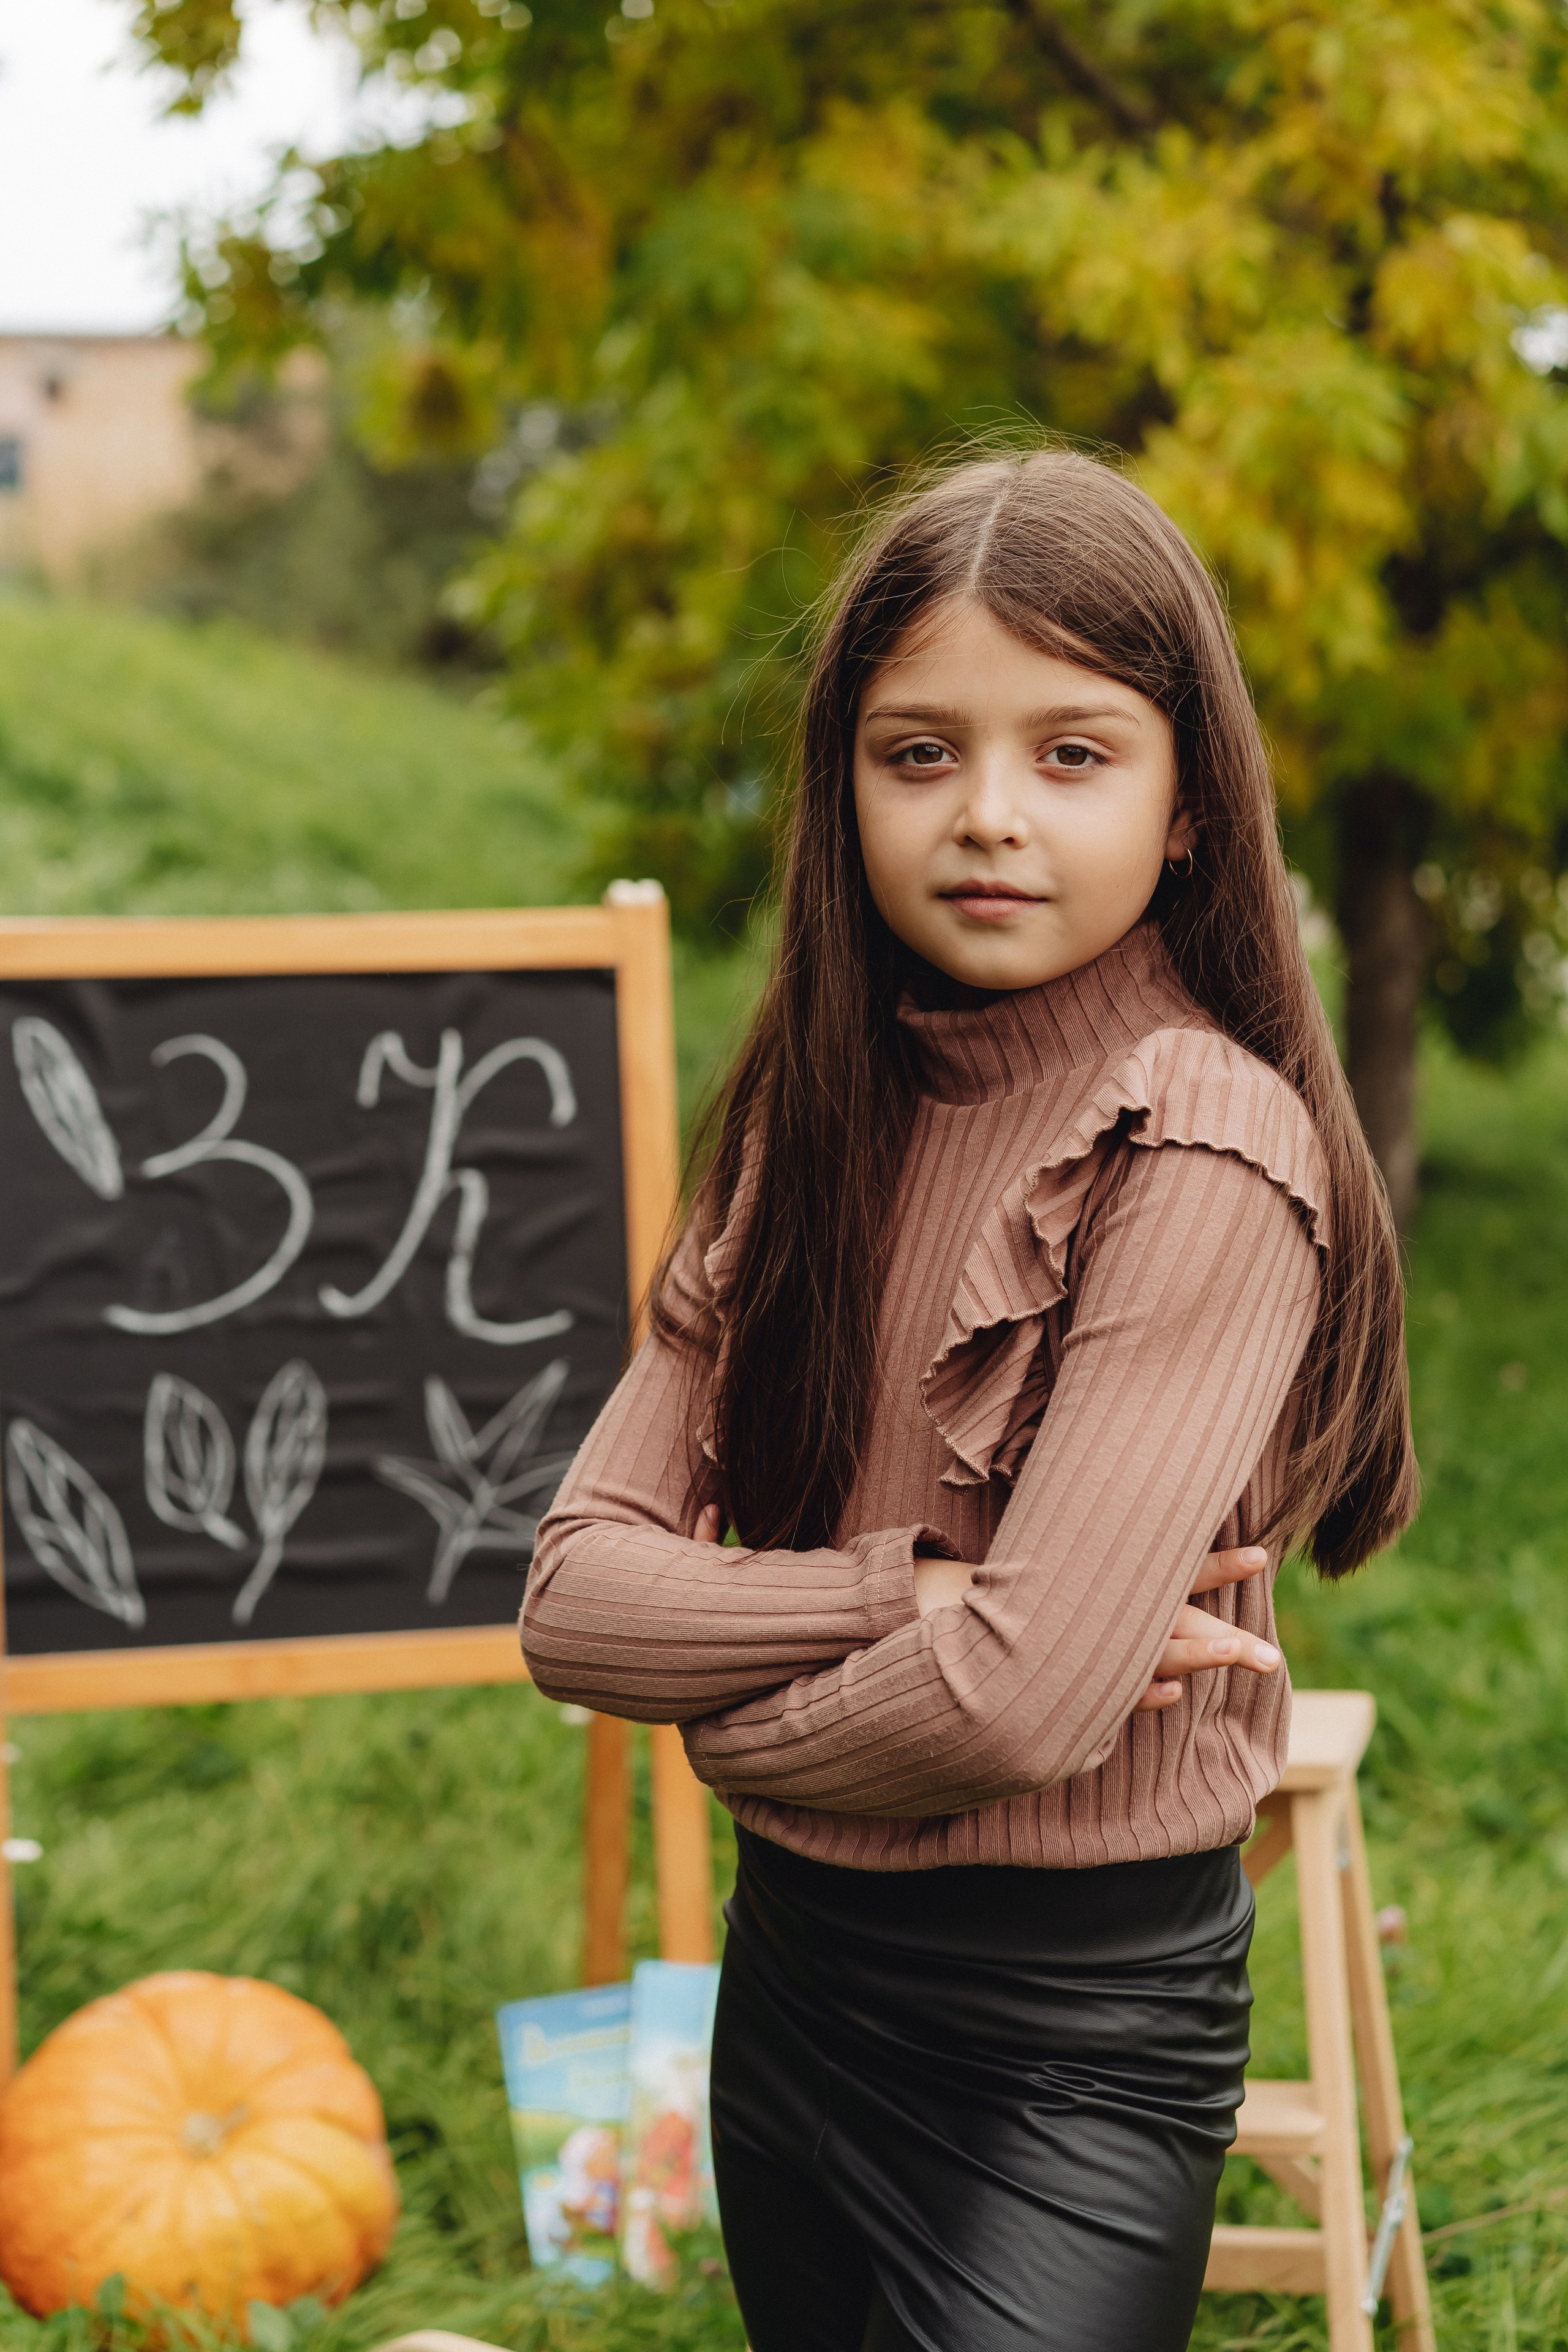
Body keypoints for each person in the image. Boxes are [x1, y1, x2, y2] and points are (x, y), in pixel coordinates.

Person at [522, 448, 1417, 2352]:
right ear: (843, 788)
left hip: (1068, 2043)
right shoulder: (806, 1124)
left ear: (1189, 805)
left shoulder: (1203, 1143)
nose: (988, 816)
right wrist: (897, 1600)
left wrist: (729, 1734)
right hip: (794, 1995)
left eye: (1072, 754)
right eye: (918, 752)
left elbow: (1021, 1705)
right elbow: (571, 1598)